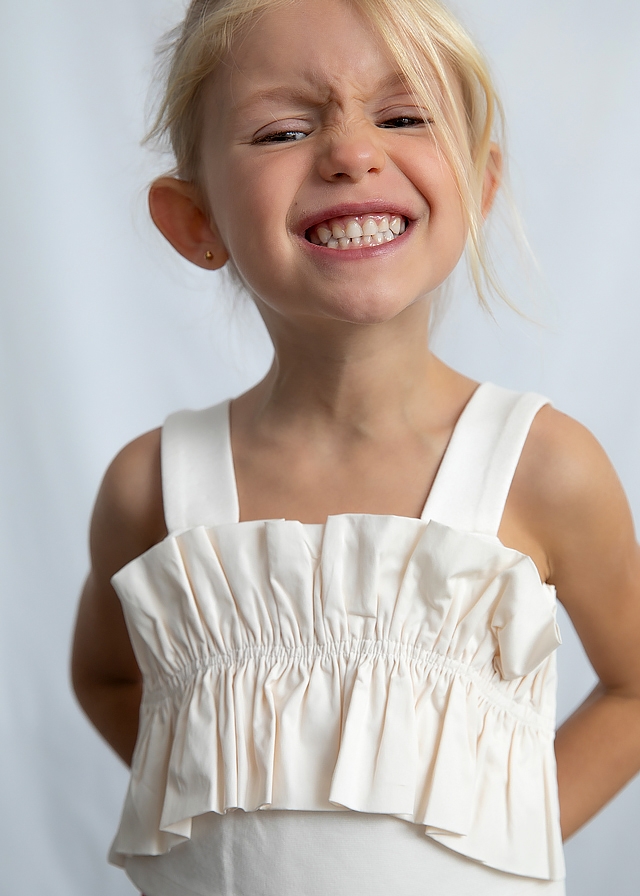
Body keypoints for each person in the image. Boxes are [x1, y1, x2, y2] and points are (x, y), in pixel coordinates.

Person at [71, 0, 640, 893]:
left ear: (479, 185)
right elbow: (107, 679)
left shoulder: (544, 468)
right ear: (195, 221)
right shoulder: (151, 487)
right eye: (283, 130)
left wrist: (504, 832)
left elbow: (635, 689)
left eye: (404, 117)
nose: (351, 152)